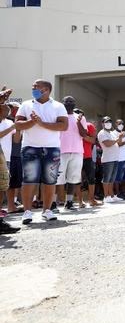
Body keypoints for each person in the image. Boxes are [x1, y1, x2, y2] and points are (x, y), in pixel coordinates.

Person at [14, 80, 68, 224]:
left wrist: (41, 123)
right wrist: (32, 122)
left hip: (52, 148)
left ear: (46, 90)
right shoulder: (26, 105)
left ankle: (47, 210)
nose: (33, 89)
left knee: (50, 180)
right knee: (29, 180)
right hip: (30, 147)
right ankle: (27, 211)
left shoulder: (58, 106)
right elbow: (17, 124)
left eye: (36, 87)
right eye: (33, 87)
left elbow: (63, 126)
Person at [55, 96, 89, 211]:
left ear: (75, 104)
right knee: (57, 179)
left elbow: (84, 134)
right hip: (60, 151)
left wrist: (79, 123)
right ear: (62, 103)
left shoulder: (80, 117)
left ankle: (68, 202)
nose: (69, 103)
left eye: (71, 102)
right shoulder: (58, 116)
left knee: (73, 179)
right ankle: (53, 203)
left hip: (77, 151)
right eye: (67, 102)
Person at [0, 88, 19, 234]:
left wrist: (18, 129)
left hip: (4, 156)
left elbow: (16, 139)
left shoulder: (8, 120)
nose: (8, 108)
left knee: (2, 187)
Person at [74, 108, 100, 207]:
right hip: (76, 155)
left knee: (91, 178)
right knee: (77, 179)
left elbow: (93, 140)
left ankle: (91, 199)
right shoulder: (70, 126)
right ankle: (80, 201)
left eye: (79, 115)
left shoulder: (89, 126)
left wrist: (83, 135)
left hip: (87, 156)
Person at [97, 116, 123, 203]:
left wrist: (120, 138)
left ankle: (112, 195)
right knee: (106, 178)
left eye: (110, 122)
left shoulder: (112, 133)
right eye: (106, 122)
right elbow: (108, 144)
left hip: (115, 158)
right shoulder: (102, 133)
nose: (108, 123)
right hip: (108, 159)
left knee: (112, 178)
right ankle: (106, 196)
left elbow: (118, 143)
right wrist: (117, 139)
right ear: (102, 124)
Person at [113, 119, 125, 199]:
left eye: (122, 123)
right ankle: (117, 193)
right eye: (119, 123)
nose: (121, 125)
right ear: (116, 124)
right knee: (118, 177)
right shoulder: (113, 133)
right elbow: (119, 144)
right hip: (118, 158)